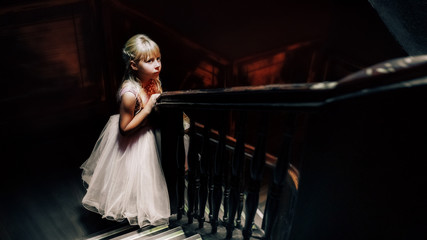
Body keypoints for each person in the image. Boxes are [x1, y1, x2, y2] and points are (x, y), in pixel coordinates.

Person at [80, 34, 170, 228]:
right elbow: (124, 129)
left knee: (148, 179)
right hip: (131, 139)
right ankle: (130, 215)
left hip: (149, 131)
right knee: (131, 176)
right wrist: (147, 109)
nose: (157, 65)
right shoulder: (130, 93)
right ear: (134, 65)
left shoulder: (153, 81)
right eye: (149, 61)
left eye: (158, 59)